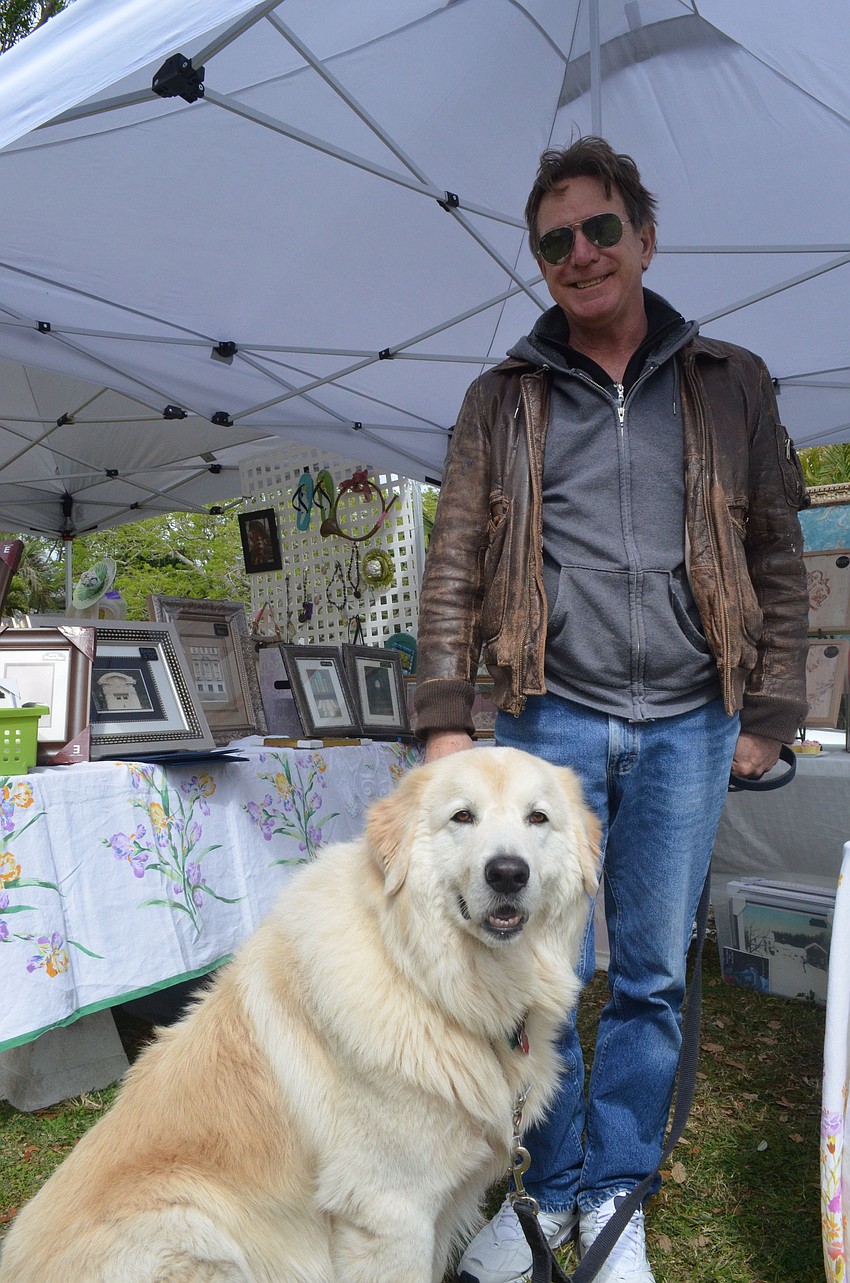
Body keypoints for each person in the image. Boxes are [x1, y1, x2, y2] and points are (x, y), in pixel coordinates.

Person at [412, 136, 809, 1283]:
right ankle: (546, 1187)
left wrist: (771, 708)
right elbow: (453, 560)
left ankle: (617, 1191)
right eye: (554, 241)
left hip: (691, 720)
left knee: (651, 973)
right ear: (540, 263)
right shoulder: (502, 397)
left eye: (598, 229)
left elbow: (775, 553)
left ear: (643, 237)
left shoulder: (729, 379)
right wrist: (444, 716)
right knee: (532, 967)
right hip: (549, 722)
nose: (579, 253)